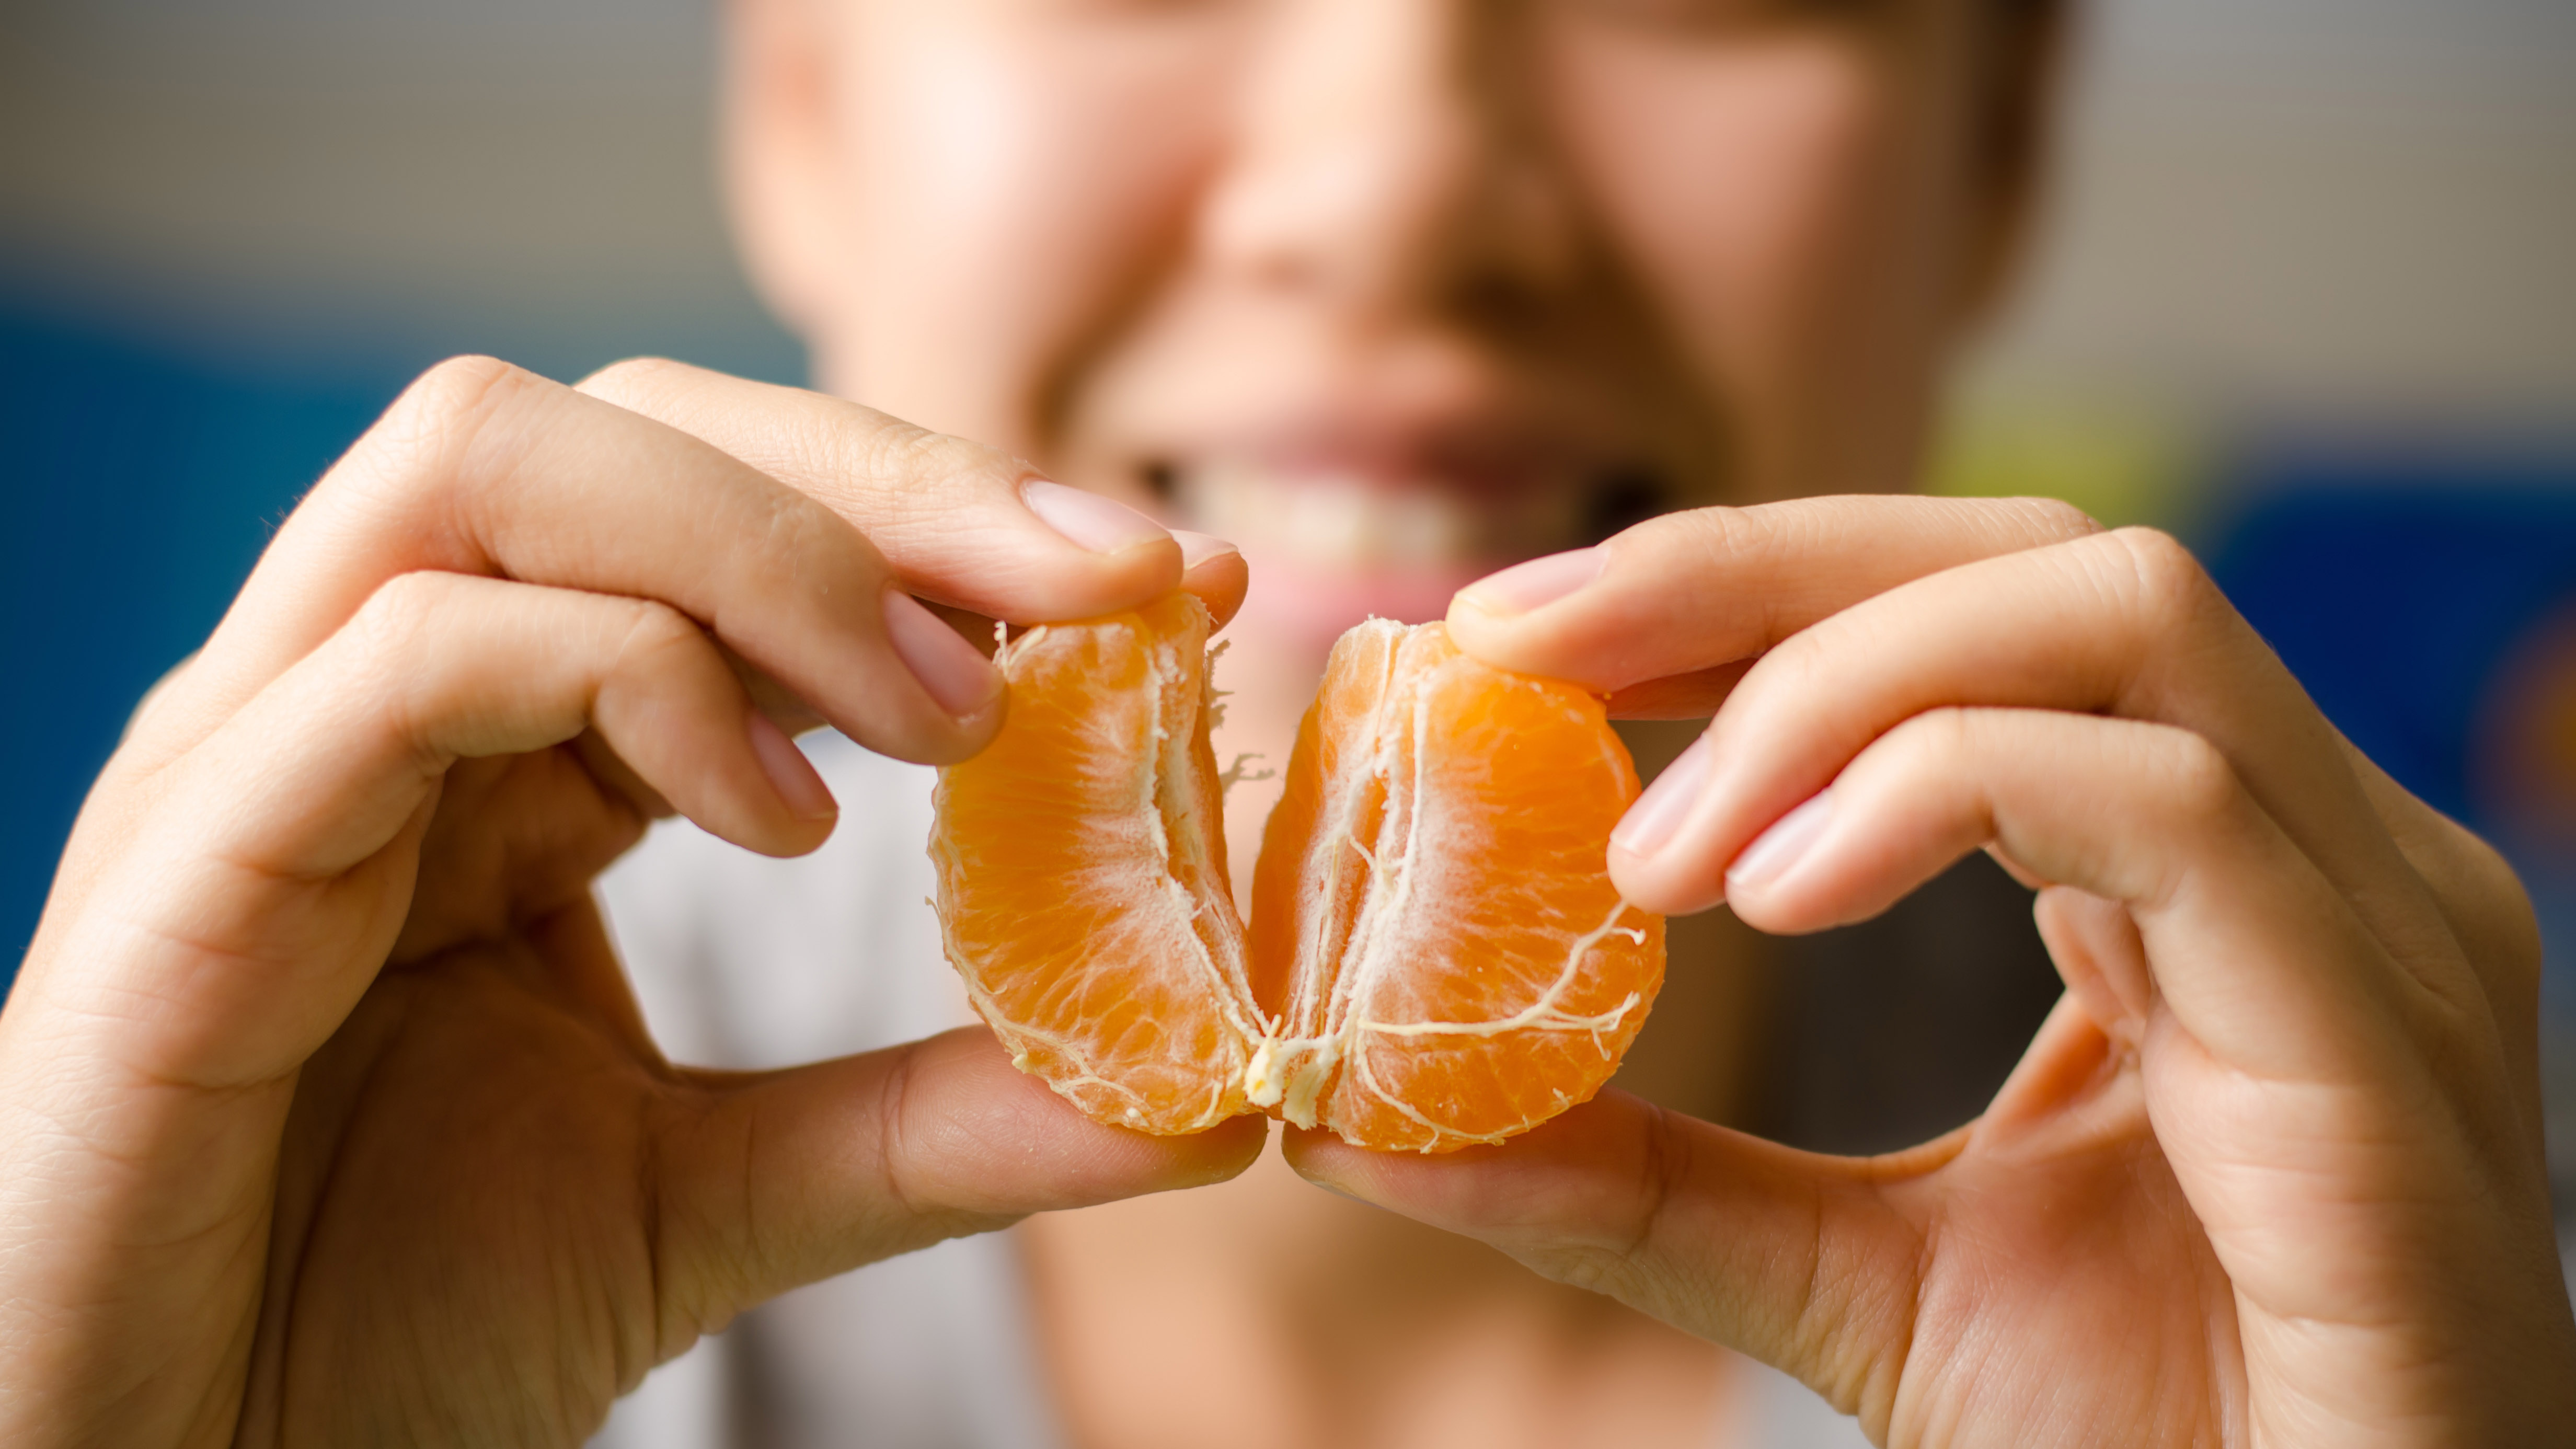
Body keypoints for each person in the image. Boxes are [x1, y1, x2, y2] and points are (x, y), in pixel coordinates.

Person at [3, 0, 2570, 1445]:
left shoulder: (2357, 1269)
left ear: (1996, 150)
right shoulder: (313, 1139)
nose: (1396, 181)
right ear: (799, 99)